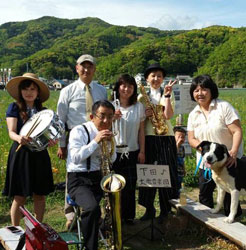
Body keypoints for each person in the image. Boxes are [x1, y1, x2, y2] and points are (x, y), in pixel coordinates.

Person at [57, 54, 107, 228]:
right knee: (74, 173)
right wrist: (62, 144)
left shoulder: (101, 90)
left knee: (97, 173)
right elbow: (60, 120)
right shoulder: (67, 91)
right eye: (82, 66)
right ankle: (70, 214)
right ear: (77, 68)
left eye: (90, 66)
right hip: (75, 137)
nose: (86, 70)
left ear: (94, 69)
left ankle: (95, 213)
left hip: (97, 134)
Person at [3, 73, 55, 226]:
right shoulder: (14, 108)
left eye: (32, 89)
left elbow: (47, 136)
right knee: (19, 196)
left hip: (39, 155)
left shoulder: (44, 112)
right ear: (20, 91)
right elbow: (11, 132)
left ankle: (37, 229)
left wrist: (51, 141)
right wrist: (19, 138)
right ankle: (16, 231)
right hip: (21, 154)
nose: (29, 92)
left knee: (40, 195)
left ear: (38, 92)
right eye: (25, 89)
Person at [187, 74, 243, 217]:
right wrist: (206, 153)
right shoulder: (193, 114)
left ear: (212, 90)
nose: (200, 93)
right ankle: (208, 225)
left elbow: (237, 131)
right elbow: (191, 138)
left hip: (228, 160)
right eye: (196, 90)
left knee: (230, 196)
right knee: (205, 195)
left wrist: (234, 152)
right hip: (206, 163)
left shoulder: (223, 107)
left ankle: (233, 223)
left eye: (204, 89)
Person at [67, 100, 116, 250]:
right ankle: (90, 246)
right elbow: (75, 157)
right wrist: (96, 141)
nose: (106, 121)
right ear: (92, 116)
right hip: (78, 179)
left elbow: (112, 159)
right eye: (102, 116)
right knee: (92, 209)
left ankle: (110, 233)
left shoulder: (109, 132)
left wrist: (109, 143)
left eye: (110, 116)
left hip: (98, 177)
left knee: (118, 203)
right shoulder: (79, 131)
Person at [138, 63, 178, 224]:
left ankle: (165, 209)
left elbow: (168, 115)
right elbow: (138, 120)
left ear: (163, 79)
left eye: (159, 76)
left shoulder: (167, 93)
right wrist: (145, 114)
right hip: (148, 137)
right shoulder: (141, 96)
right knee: (147, 173)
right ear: (147, 79)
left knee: (167, 173)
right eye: (153, 75)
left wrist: (167, 95)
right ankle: (149, 208)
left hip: (166, 137)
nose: (156, 78)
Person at [111, 74, 145, 225]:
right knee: (114, 186)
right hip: (114, 152)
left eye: (130, 87)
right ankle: (114, 217)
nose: (126, 89)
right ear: (118, 88)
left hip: (132, 151)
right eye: (123, 86)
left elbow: (141, 131)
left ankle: (129, 217)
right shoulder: (111, 105)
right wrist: (112, 118)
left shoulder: (138, 107)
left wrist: (142, 151)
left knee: (130, 186)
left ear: (134, 89)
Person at [173, 126, 186, 193]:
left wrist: (184, 169)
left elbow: (182, 159)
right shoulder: (172, 146)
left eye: (183, 137)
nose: (181, 138)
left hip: (180, 172)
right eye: (179, 136)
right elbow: (173, 156)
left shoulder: (182, 148)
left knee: (179, 188)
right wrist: (177, 145)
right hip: (173, 172)